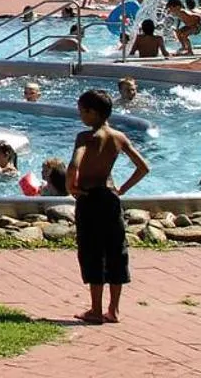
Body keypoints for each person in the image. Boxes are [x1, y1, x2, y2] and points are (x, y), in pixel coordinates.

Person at [68, 88, 150, 325]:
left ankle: (95, 310)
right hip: (111, 198)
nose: (80, 115)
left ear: (92, 112)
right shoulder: (118, 137)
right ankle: (113, 310)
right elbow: (143, 167)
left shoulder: (85, 137)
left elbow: (74, 164)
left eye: (82, 111)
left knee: (93, 251)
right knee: (116, 251)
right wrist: (122, 190)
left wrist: (71, 186)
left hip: (90, 199)